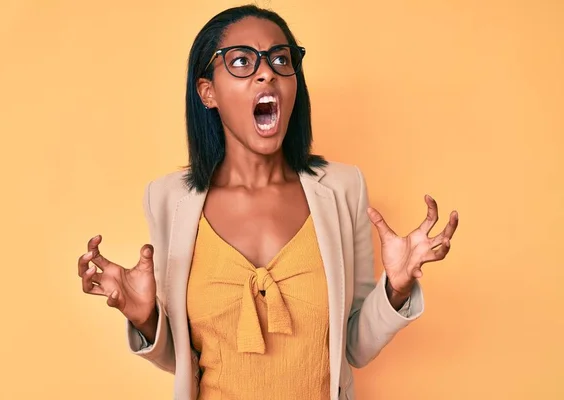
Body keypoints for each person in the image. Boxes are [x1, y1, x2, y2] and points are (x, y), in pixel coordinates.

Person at [77, 4, 459, 400]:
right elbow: (188, 362)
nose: (267, 72)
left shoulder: (345, 189)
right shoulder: (168, 199)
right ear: (208, 92)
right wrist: (147, 317)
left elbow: (353, 349)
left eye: (281, 59)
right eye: (241, 61)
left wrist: (396, 287)